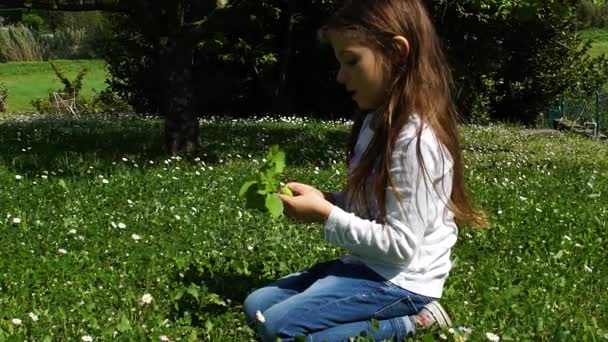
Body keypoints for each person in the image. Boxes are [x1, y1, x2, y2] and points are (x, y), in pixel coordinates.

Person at [243, 0, 488, 340]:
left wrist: (326, 215)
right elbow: (373, 204)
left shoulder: (416, 141)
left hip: (400, 280)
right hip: (368, 266)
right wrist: (329, 198)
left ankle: (414, 321)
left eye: (351, 61)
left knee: (277, 326)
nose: (341, 77)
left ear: (397, 53)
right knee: (258, 303)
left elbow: (400, 246)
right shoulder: (375, 122)